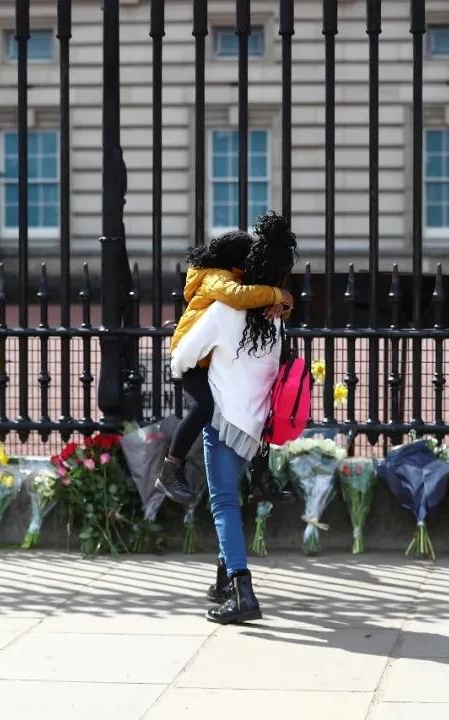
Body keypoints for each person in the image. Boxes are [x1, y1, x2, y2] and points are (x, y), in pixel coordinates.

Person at [170, 211, 298, 624]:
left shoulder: (224, 311)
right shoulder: (275, 318)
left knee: (223, 504)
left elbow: (181, 356)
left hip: (225, 422)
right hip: (257, 428)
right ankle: (225, 581)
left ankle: (243, 592)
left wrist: (199, 374)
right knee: (233, 499)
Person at [156, 225, 293, 506]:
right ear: (236, 262)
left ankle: (261, 476)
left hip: (213, 359)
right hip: (193, 361)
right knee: (204, 407)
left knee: (259, 402)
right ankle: (170, 468)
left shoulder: (229, 277)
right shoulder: (215, 278)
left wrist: (282, 304)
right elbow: (240, 297)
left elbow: (258, 308)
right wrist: (277, 295)